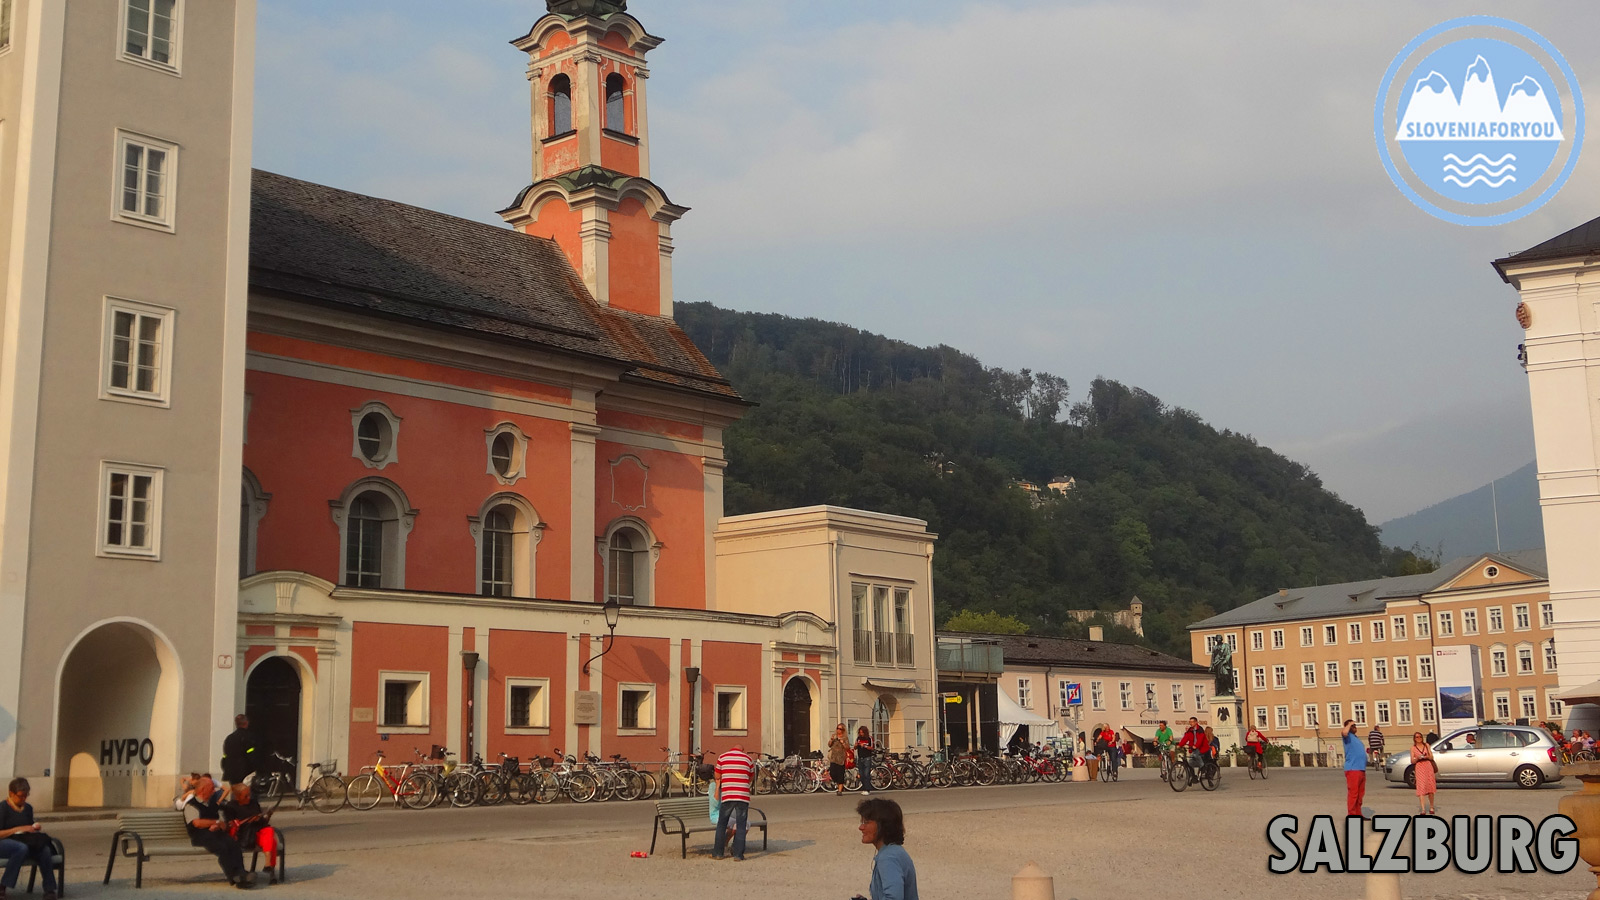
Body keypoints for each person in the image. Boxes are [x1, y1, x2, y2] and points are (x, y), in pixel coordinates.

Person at [184, 774, 253, 888]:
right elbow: (196, 823)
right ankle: (234, 877)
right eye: (211, 788)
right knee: (222, 847)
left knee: (233, 844)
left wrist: (220, 825)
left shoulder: (214, 804)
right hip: (200, 835)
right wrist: (214, 823)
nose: (214, 790)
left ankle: (241, 872)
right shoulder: (191, 805)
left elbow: (223, 822)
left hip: (216, 833)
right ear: (202, 790)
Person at [851, 797, 918, 900]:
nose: (861, 827)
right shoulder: (894, 852)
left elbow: (894, 898)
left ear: (883, 825)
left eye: (866, 822)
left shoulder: (888, 857)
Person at [0, 778, 56, 900]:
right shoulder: (3, 808)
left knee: (44, 850)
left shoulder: (28, 808)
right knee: (21, 848)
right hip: (5, 842)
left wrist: (33, 828)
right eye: (20, 796)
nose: (23, 799)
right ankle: (3, 886)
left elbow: (28, 828)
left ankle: (49, 889)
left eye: (26, 796)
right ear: (11, 794)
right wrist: (17, 828)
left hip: (24, 840)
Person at [221, 783, 280, 879]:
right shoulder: (231, 807)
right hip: (244, 835)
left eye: (249, 795)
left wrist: (267, 815)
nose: (249, 798)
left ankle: (268, 864)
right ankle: (269, 867)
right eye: (245, 796)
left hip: (257, 831)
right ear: (237, 797)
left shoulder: (253, 803)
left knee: (269, 830)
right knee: (272, 842)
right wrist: (248, 820)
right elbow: (231, 825)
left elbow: (263, 823)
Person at [712, 743, 755, 861]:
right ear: (743, 750)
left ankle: (718, 853)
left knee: (721, 824)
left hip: (728, 795)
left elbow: (717, 775)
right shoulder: (748, 759)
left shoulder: (722, 757)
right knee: (741, 825)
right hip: (742, 796)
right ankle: (738, 855)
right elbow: (751, 777)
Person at [221, 714, 258, 796]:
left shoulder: (229, 738)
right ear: (246, 723)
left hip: (231, 771)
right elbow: (251, 755)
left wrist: (225, 768)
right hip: (244, 771)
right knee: (246, 794)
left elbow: (225, 756)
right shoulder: (248, 737)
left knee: (236, 793)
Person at [1343, 720, 1368, 818]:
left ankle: (1358, 813)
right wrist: (1349, 724)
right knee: (1353, 793)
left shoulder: (1355, 738)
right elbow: (1344, 732)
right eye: (1353, 726)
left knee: (1360, 794)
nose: (1355, 727)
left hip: (1361, 768)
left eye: (1355, 725)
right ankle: (1352, 814)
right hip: (1353, 768)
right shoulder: (1347, 736)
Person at [1409, 732, 1437, 815]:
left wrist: (1427, 756)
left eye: (1420, 737)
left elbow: (1431, 757)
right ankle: (1423, 809)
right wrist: (1417, 758)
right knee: (1421, 786)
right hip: (1419, 767)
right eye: (1417, 737)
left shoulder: (1426, 745)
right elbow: (1412, 761)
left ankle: (1431, 807)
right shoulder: (1413, 748)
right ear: (1414, 739)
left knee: (1430, 786)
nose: (1419, 738)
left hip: (1428, 766)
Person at [828, 724, 852, 796]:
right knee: (832, 773)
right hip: (833, 758)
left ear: (843, 730)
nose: (838, 730)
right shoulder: (834, 736)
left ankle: (840, 790)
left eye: (840, 729)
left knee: (840, 774)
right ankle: (837, 783)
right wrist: (831, 739)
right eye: (837, 728)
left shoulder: (845, 738)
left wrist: (843, 743)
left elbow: (847, 748)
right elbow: (829, 745)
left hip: (841, 758)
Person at [855, 726, 877, 795]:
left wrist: (865, 746)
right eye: (860, 732)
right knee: (861, 774)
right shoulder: (858, 738)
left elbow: (872, 748)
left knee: (866, 774)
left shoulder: (869, 738)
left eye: (862, 732)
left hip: (867, 757)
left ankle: (867, 789)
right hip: (860, 757)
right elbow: (855, 747)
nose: (861, 734)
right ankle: (864, 787)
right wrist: (856, 745)